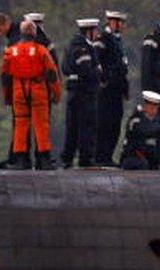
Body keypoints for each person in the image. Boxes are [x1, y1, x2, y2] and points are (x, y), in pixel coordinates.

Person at [1, 20, 61, 170]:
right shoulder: (41, 50)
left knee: (20, 124)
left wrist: (7, 96)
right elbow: (52, 73)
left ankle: (21, 159)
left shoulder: (10, 51)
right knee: (41, 124)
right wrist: (56, 94)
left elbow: (4, 76)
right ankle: (44, 159)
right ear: (34, 33)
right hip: (37, 88)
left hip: (18, 90)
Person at [61, 18, 103, 169]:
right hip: (84, 92)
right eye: (95, 31)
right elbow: (87, 70)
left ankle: (67, 157)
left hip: (74, 91)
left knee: (72, 125)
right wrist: (97, 71)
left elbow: (65, 68)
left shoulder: (72, 45)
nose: (97, 34)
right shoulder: (82, 48)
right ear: (89, 31)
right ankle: (85, 158)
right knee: (86, 125)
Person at [95, 11, 130, 167]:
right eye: (119, 22)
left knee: (115, 123)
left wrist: (125, 88)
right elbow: (97, 62)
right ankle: (101, 155)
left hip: (117, 90)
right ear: (112, 22)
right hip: (107, 90)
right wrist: (104, 80)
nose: (122, 26)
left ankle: (108, 155)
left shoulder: (117, 40)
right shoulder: (103, 39)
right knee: (105, 123)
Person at [119, 91, 160, 170]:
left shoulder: (158, 119)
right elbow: (146, 131)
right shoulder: (136, 120)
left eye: (156, 107)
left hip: (151, 156)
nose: (154, 110)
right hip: (134, 155)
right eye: (152, 107)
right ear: (146, 106)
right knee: (141, 164)